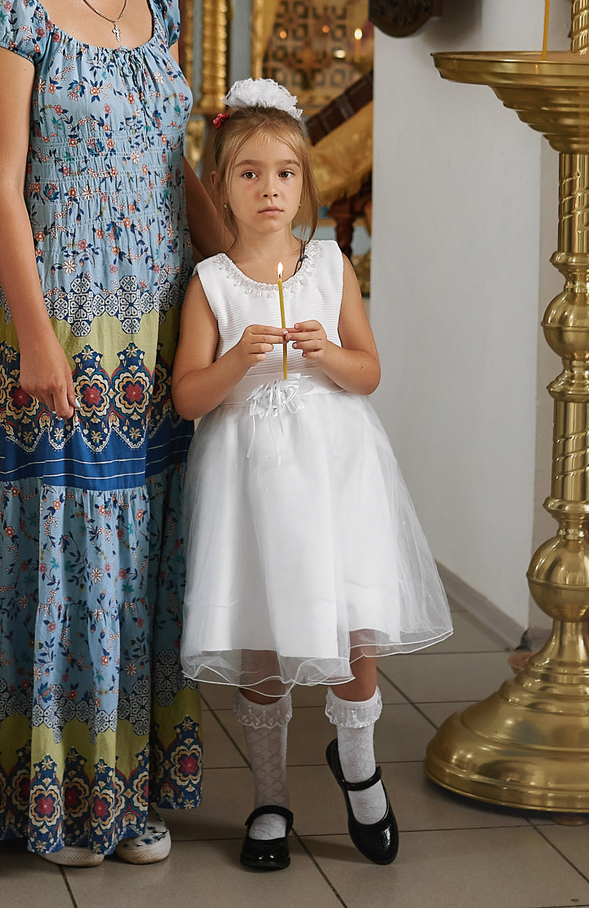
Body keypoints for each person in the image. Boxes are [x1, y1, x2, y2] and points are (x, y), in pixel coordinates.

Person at [0, 0, 220, 867]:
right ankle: (52, 796)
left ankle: (131, 787)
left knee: (145, 540)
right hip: (62, 303)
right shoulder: (10, 9)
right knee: (68, 546)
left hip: (160, 311)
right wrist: (40, 335)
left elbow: (177, 163)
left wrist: (237, 278)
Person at [171, 78, 448, 873]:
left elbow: (369, 370)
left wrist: (327, 353)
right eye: (249, 172)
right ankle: (268, 796)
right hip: (251, 488)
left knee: (353, 624)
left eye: (285, 173)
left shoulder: (329, 266)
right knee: (263, 637)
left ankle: (359, 766)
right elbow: (188, 395)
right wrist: (236, 359)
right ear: (220, 185)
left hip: (337, 478)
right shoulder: (212, 283)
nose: (269, 188)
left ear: (305, 184)